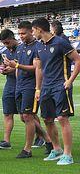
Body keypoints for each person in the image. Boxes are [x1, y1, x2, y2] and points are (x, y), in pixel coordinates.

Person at [33, 17, 80, 166]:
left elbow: (77, 60)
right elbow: (39, 69)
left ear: (39, 30)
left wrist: (70, 80)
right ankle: (57, 149)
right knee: (47, 119)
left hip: (60, 86)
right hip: (46, 88)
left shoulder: (60, 42)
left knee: (62, 119)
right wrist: (38, 88)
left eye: (33, 30)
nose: (33, 33)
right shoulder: (38, 47)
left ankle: (68, 154)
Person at [0, 21, 49, 158]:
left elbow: (36, 68)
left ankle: (27, 149)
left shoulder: (38, 47)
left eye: (23, 33)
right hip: (20, 86)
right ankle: (48, 140)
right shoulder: (20, 48)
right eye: (19, 33)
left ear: (31, 32)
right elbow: (17, 68)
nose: (21, 36)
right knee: (23, 116)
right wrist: (11, 68)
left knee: (28, 116)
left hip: (31, 86)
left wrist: (17, 66)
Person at [0, 29, 21, 150]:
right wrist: (4, 70)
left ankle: (42, 137)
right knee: (7, 113)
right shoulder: (5, 52)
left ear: (13, 38)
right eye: (4, 43)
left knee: (26, 116)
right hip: (9, 85)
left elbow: (29, 67)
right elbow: (6, 66)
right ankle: (6, 141)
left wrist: (13, 69)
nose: (6, 45)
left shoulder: (22, 49)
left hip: (22, 85)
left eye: (8, 42)